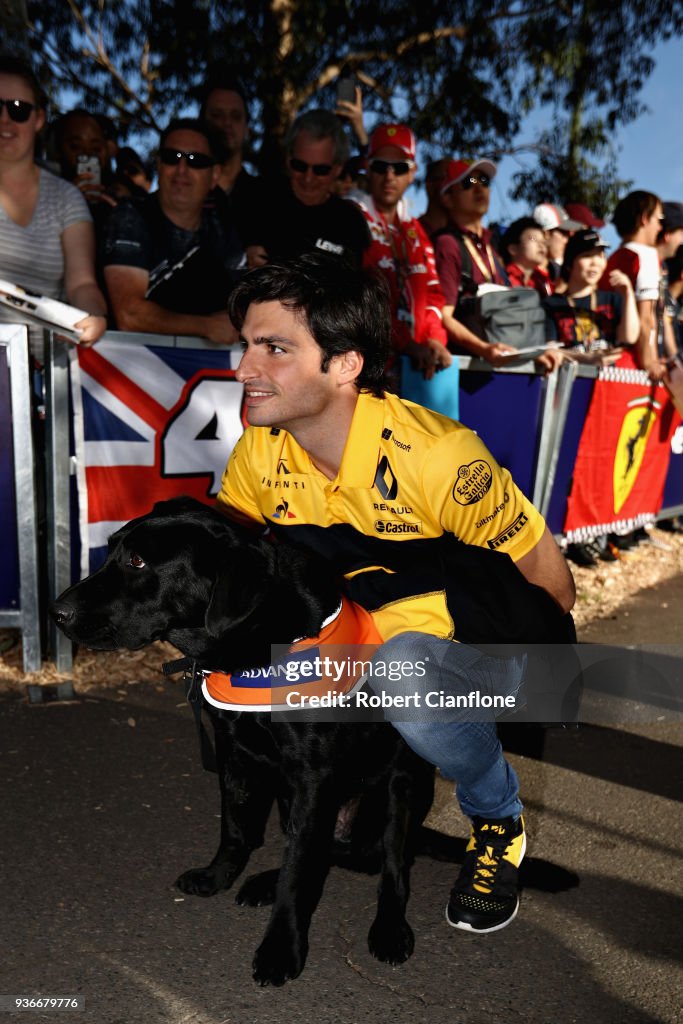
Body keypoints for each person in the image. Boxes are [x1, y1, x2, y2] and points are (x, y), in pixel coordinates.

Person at [215, 252, 576, 935]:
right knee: (252, 684)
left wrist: (503, 700)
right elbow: (238, 575)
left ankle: (497, 820)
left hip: (461, 653)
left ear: (344, 363)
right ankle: (341, 827)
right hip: (357, 646)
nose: (244, 369)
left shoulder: (438, 456)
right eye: (245, 346)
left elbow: (551, 590)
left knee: (405, 673)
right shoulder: (259, 451)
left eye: (274, 349)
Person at [0, 55, 107, 359]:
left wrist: (94, 316)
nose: (5, 119)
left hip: (42, 377)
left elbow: (82, 283)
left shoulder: (66, 198)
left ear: (38, 119)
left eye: (18, 110)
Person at [544, 229, 640, 567]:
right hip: (563, 398)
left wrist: (627, 290)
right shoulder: (551, 303)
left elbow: (628, 337)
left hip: (603, 399)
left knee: (595, 464)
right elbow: (550, 348)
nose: (595, 263)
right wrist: (585, 359)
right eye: (587, 256)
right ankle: (557, 537)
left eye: (600, 255)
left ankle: (587, 536)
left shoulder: (611, 301)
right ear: (571, 262)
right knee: (561, 463)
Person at [103, 118, 243, 343]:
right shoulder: (130, 215)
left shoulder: (223, 226)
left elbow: (244, 306)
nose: (182, 170)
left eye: (195, 161)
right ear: (158, 164)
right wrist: (206, 326)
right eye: (172, 157)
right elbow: (128, 315)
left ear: (214, 175)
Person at [348, 124, 451, 380]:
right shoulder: (351, 219)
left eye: (400, 167)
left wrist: (435, 340)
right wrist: (406, 343)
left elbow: (433, 295)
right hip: (363, 370)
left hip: (413, 370)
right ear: (368, 168)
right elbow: (358, 300)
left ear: (413, 172)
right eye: (381, 166)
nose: (390, 176)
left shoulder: (414, 230)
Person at [244, 109, 370, 268]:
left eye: (320, 170)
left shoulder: (350, 222)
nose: (308, 178)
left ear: (338, 169)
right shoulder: (257, 198)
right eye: (299, 166)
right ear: (288, 159)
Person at [433, 158, 512, 364]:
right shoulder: (447, 244)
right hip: (466, 370)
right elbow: (443, 316)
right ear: (448, 199)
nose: (479, 190)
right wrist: (485, 349)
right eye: (468, 183)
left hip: (494, 363)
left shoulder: (489, 248)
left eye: (484, 181)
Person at [598, 190, 665, 380]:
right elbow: (646, 318)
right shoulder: (646, 256)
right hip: (634, 367)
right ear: (644, 218)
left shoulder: (613, 258)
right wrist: (650, 362)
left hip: (608, 362)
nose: (660, 227)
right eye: (659, 219)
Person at [198, 72, 263, 253]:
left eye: (235, 116)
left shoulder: (267, 198)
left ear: (247, 128)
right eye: (217, 115)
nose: (226, 123)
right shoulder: (182, 188)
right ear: (202, 121)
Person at [532, 203, 583, 285]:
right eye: (563, 233)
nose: (567, 240)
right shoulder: (525, 272)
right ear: (546, 234)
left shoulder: (556, 272)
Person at [502, 216, 552, 296]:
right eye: (533, 239)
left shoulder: (544, 281)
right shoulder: (502, 279)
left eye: (543, 242)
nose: (541, 245)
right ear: (513, 249)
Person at [418, 158, 450, 238]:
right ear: (429, 184)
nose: (451, 185)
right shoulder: (413, 231)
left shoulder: (463, 236)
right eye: (445, 178)